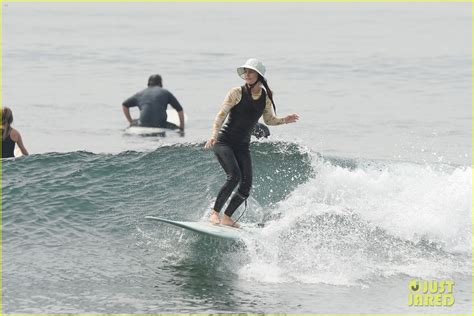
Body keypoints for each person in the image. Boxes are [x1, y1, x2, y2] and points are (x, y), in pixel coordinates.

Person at [204, 58, 299, 227]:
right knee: (234, 177)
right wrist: (213, 135)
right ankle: (214, 214)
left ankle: (227, 218)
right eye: (245, 72)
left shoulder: (266, 97)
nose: (247, 75)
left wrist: (285, 120)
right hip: (224, 141)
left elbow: (269, 120)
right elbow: (221, 115)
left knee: (246, 186)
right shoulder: (236, 92)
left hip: (242, 145)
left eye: (251, 72)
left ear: (259, 76)